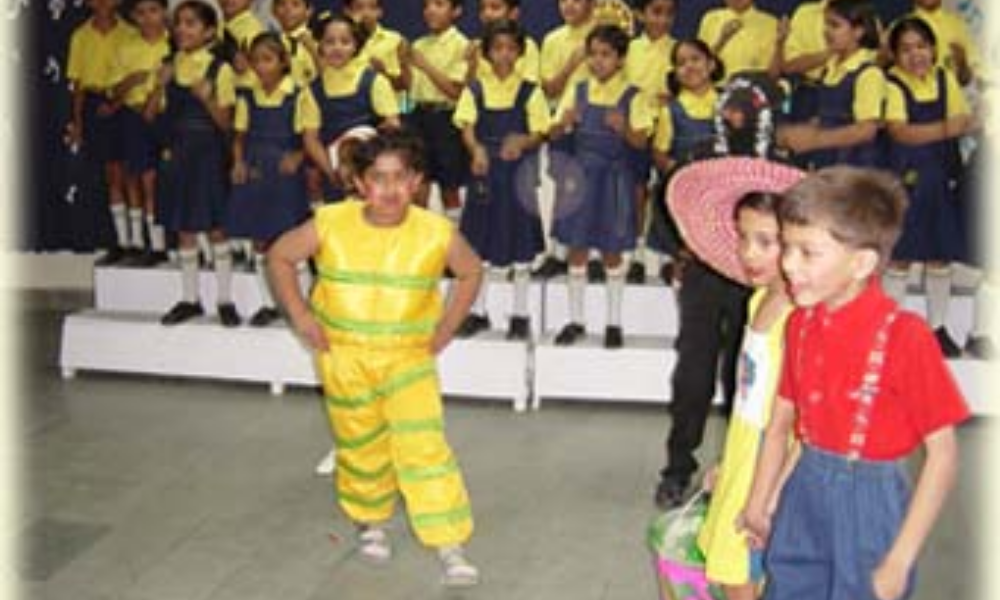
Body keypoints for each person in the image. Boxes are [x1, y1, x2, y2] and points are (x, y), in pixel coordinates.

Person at [267, 129, 483, 587]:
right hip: (344, 359)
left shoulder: (436, 231)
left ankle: (449, 541)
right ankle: (371, 521)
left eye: (400, 177)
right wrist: (301, 317)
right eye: (378, 178)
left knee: (422, 444)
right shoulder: (330, 222)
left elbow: (470, 271)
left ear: (417, 182)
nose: (389, 189)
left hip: (408, 360)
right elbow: (280, 257)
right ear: (360, 183)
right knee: (359, 441)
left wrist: (447, 327)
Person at [743, 166, 969, 600]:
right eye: (787, 247)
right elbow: (783, 425)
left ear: (862, 263)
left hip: (872, 501)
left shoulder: (905, 336)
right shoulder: (800, 325)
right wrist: (762, 499)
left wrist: (900, 559)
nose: (788, 264)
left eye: (808, 252)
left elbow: (943, 456)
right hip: (804, 488)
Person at [666, 157, 804, 600]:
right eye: (744, 237)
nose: (749, 253)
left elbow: (805, 426)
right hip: (745, 459)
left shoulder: (803, 318)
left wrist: (770, 495)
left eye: (766, 242)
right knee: (731, 578)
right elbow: (749, 403)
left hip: (774, 474)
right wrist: (729, 466)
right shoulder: (759, 300)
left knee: (745, 579)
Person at [549, 23, 654, 349]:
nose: (598, 61)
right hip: (580, 180)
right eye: (593, 54)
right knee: (576, 249)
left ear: (621, 59)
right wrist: (564, 123)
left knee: (611, 252)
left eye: (606, 55)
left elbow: (641, 141)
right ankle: (576, 320)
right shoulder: (577, 90)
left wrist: (624, 129)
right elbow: (553, 133)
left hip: (614, 181)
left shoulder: (634, 95)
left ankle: (613, 323)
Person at [882, 17, 975, 357]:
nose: (915, 55)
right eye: (906, 49)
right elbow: (901, 132)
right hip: (907, 180)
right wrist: (947, 128)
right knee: (901, 258)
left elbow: (965, 121)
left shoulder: (944, 78)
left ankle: (938, 329)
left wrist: (946, 128)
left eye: (922, 46)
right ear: (894, 55)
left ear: (934, 49)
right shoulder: (891, 84)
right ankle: (890, 330)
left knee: (940, 256)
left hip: (943, 176)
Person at [145, 0, 241, 327]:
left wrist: (207, 99)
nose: (182, 29)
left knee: (216, 227)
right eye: (179, 23)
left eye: (191, 23)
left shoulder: (219, 68)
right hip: (177, 155)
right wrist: (159, 86)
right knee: (184, 227)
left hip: (208, 155)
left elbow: (227, 123)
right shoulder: (168, 65)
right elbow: (149, 116)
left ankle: (225, 300)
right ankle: (190, 299)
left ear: (209, 31)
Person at [453, 19, 549, 340]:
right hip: (485, 175)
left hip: (517, 177)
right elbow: (466, 128)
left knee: (521, 247)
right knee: (479, 245)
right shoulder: (474, 89)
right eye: (497, 48)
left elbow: (539, 132)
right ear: (486, 53)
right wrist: (476, 149)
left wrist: (523, 141)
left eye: (510, 48)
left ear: (520, 53)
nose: (504, 54)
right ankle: (478, 312)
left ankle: (520, 315)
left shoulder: (531, 91)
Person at [226, 32, 310, 327]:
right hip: (257, 170)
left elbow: (310, 136)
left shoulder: (298, 94)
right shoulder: (247, 97)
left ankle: (302, 304)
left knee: (292, 238)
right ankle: (268, 303)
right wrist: (238, 162)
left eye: (268, 59)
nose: (261, 66)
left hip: (285, 173)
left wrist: (298, 156)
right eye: (256, 61)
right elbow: (240, 137)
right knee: (260, 239)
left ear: (284, 61)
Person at [301, 12, 400, 205]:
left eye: (345, 41)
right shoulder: (312, 90)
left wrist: (369, 168)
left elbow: (392, 125)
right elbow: (310, 138)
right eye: (329, 42)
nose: (337, 48)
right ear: (320, 45)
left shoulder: (375, 81)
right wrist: (333, 172)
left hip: (374, 173)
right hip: (334, 174)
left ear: (356, 45)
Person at [66, 0, 136, 265]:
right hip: (95, 105)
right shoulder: (80, 36)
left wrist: (117, 102)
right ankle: (122, 241)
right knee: (111, 176)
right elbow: (78, 85)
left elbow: (136, 77)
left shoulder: (131, 33)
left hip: (128, 104)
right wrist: (78, 122)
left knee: (133, 174)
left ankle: (142, 241)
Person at [777, 0, 885, 169]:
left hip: (853, 170)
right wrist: (801, 132)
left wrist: (816, 140)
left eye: (835, 25)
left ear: (858, 31)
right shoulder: (830, 68)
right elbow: (829, 116)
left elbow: (866, 131)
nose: (826, 31)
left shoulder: (868, 74)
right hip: (828, 165)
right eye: (826, 24)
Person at [534, 0, 596, 279]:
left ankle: (595, 254)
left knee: (598, 186)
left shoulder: (604, 33)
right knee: (564, 186)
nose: (569, 5)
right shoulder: (552, 39)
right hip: (563, 120)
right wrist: (573, 62)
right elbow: (549, 89)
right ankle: (558, 252)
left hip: (598, 122)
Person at [109, 0, 171, 267]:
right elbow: (114, 92)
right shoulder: (126, 48)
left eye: (154, 11)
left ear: (164, 12)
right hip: (136, 118)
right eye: (141, 13)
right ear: (133, 16)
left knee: (178, 181)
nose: (148, 18)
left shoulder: (175, 43)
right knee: (147, 180)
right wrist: (130, 81)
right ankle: (155, 245)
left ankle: (190, 244)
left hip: (170, 118)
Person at [402, 0, 471, 220]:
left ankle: (452, 233)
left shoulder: (463, 45)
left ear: (456, 11)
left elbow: (455, 91)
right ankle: (421, 235)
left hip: (446, 119)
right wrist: (403, 63)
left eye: (439, 4)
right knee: (417, 183)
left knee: (449, 186)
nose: (430, 10)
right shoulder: (419, 44)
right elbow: (408, 87)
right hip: (417, 116)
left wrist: (424, 65)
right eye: (427, 5)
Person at [624, 0, 676, 284]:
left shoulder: (678, 49)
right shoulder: (629, 49)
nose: (663, 19)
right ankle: (636, 254)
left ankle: (669, 257)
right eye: (656, 12)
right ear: (640, 15)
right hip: (636, 127)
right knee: (637, 191)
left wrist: (675, 96)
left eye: (669, 13)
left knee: (669, 190)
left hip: (670, 125)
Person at [696, 0, 779, 81]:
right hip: (715, 86)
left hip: (752, 87)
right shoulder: (710, 19)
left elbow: (772, 72)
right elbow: (698, 62)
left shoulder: (770, 24)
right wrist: (722, 40)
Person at [271, 0, 319, 86]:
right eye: (282, 4)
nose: (288, 9)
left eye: (295, 4)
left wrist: (314, 51)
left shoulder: (318, 42)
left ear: (309, 11)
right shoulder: (270, 43)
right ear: (273, 10)